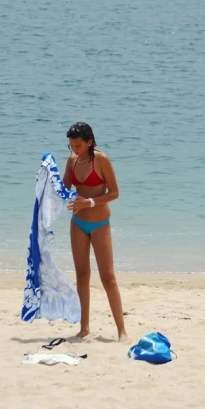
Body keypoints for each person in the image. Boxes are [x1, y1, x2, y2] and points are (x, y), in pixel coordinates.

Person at [63, 122, 127, 341]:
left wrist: (90, 202)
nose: (74, 150)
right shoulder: (72, 161)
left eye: (78, 145)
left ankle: (121, 331)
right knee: (82, 275)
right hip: (78, 224)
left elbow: (115, 192)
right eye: (71, 145)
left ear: (89, 142)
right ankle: (84, 327)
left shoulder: (101, 160)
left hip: (100, 223)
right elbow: (64, 190)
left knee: (108, 277)